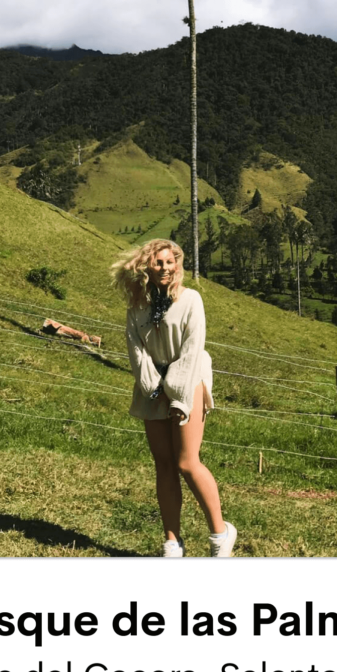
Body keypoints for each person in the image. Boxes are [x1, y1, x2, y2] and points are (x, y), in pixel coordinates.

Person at [111, 238, 236, 557]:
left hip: (187, 379)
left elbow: (193, 349)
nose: (165, 268)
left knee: (187, 462)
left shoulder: (191, 299)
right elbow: (135, 349)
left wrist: (179, 397)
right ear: (146, 267)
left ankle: (220, 534)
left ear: (177, 264)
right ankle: (172, 541)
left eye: (170, 261)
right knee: (163, 465)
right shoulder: (137, 305)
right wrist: (151, 386)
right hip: (152, 386)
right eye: (158, 262)